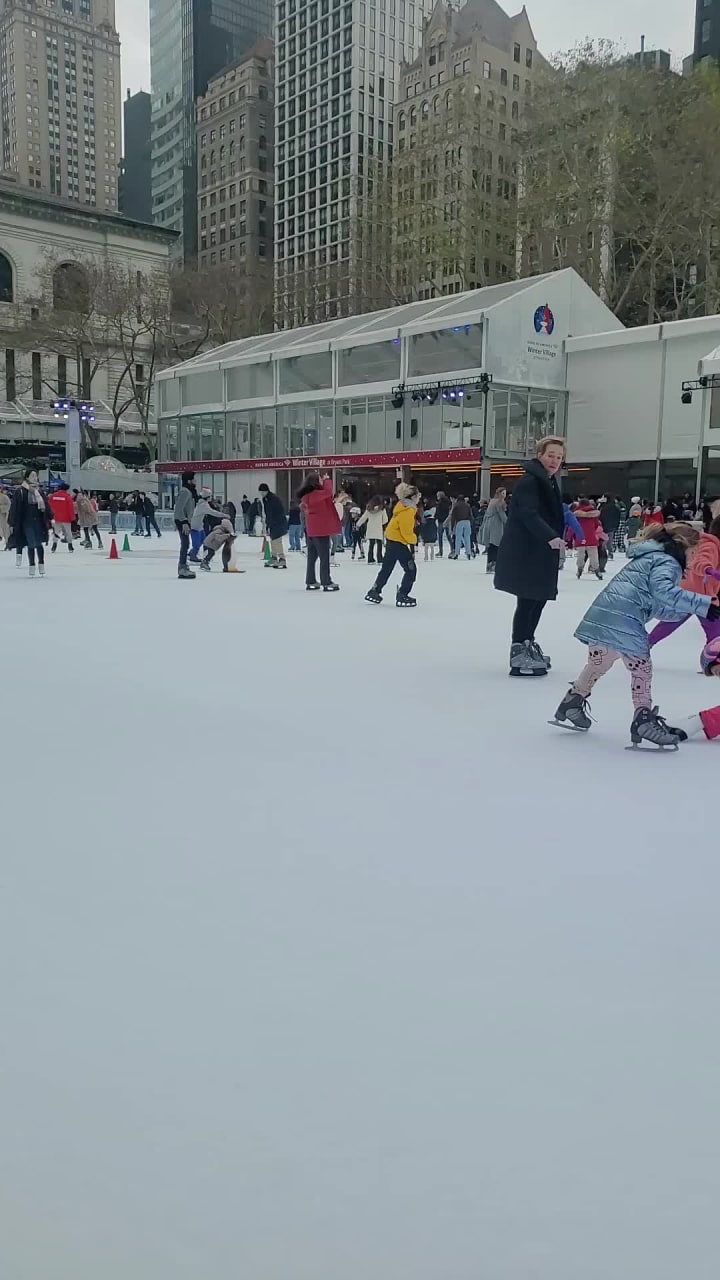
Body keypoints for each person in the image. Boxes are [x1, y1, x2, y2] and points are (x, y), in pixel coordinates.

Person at [552, 523, 719, 746]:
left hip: (604, 616)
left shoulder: (649, 558)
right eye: (692, 553)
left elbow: (653, 603)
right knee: (642, 670)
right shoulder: (667, 562)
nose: (692, 559)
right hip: (624, 620)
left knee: (600, 661)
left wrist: (686, 609)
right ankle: (643, 720)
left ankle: (572, 700)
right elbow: (664, 592)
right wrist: (703, 603)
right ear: (684, 546)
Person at [494, 436, 566, 676]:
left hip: (539, 551)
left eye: (559, 456)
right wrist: (550, 536)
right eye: (550, 455)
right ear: (539, 455)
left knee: (537, 598)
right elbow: (528, 513)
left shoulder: (547, 481)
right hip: (527, 552)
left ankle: (527, 642)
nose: (555, 460)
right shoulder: (530, 482)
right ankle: (519, 649)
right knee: (528, 600)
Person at [648, 516, 720, 650]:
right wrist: (710, 571)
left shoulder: (709, 543)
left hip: (689, 591)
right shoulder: (710, 545)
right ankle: (714, 660)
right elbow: (700, 562)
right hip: (700, 596)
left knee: (669, 623)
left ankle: (644, 645)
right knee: (715, 634)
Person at [365, 483, 420, 607]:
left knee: (387, 568)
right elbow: (406, 530)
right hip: (398, 542)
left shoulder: (401, 507)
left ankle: (375, 590)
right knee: (411, 569)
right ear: (412, 497)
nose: (419, 498)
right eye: (418, 496)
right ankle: (403, 594)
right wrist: (414, 539)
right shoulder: (408, 510)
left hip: (391, 540)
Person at [297, 472, 340, 591]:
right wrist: (327, 480)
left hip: (312, 529)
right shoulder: (316, 494)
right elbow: (328, 493)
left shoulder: (308, 495)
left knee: (312, 558)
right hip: (320, 529)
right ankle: (326, 581)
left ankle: (311, 580)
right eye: (320, 479)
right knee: (324, 557)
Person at [8, 468, 52, 576]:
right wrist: (12, 522)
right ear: (27, 477)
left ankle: (41, 564)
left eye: (35, 475)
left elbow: (46, 505)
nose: (34, 477)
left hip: (39, 521)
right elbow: (15, 507)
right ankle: (32, 565)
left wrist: (50, 516)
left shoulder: (39, 491)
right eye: (32, 475)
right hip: (26, 521)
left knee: (39, 544)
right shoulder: (21, 491)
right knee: (31, 543)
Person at [258, 482, 288, 568]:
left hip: (278, 522)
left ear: (267, 491)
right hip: (272, 522)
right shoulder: (265, 499)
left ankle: (282, 559)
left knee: (277, 540)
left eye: (263, 492)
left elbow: (277, 511)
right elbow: (267, 512)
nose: (261, 493)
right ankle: (274, 557)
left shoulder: (273, 499)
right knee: (272, 540)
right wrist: (268, 523)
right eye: (260, 492)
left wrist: (273, 521)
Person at [173, 471, 196, 579]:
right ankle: (182, 568)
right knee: (185, 544)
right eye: (193, 479)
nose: (195, 481)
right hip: (182, 521)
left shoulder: (189, 491)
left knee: (186, 543)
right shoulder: (185, 492)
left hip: (185, 521)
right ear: (189, 480)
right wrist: (184, 522)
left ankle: (183, 566)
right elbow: (178, 509)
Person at [574, 499, 604, 580]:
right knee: (593, 555)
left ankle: (579, 569)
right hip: (591, 537)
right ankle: (597, 570)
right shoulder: (593, 514)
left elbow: (573, 525)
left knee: (581, 555)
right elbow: (596, 525)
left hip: (581, 537)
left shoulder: (577, 514)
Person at [480, 488, 507, 574]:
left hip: (489, 525)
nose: (504, 495)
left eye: (505, 493)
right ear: (499, 493)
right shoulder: (499, 502)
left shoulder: (492, 501)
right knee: (496, 545)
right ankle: (493, 565)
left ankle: (489, 565)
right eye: (503, 493)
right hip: (496, 526)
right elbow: (502, 515)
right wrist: (508, 523)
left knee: (492, 546)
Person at [356, 496, 387, 564]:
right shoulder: (382, 509)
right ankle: (379, 558)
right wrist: (381, 522)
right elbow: (385, 520)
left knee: (371, 544)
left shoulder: (369, 509)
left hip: (370, 528)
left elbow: (363, 518)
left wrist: (358, 524)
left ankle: (370, 558)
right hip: (378, 528)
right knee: (379, 544)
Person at [49, 482, 76, 553]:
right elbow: (70, 509)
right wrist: (72, 518)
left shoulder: (53, 496)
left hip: (56, 517)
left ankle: (54, 545)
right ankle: (70, 546)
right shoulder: (68, 497)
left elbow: (49, 506)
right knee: (68, 532)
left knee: (56, 531)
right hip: (66, 518)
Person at [449, 495, 473, 560]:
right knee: (467, 538)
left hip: (459, 522)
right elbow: (470, 515)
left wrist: (452, 527)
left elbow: (453, 517)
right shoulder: (467, 505)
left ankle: (457, 553)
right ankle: (468, 553)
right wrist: (471, 523)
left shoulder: (456, 506)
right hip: (467, 522)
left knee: (458, 538)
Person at [435, 490, 451, 557]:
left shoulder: (440, 503)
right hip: (447, 520)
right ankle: (452, 549)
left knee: (440, 537)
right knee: (448, 536)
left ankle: (441, 551)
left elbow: (438, 512)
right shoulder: (448, 502)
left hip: (441, 521)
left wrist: (435, 517)